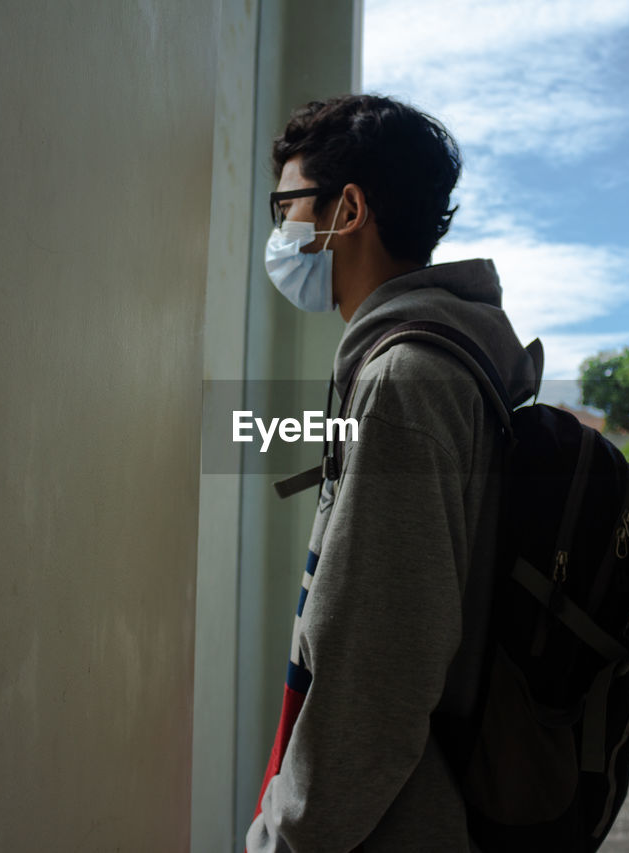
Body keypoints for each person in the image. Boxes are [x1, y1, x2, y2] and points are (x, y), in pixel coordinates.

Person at [247, 94, 540, 853]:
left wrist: (285, 839)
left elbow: (373, 684)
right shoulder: (447, 366)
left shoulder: (404, 382)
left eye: (287, 206)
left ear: (347, 209)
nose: (280, 232)